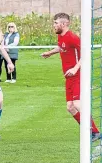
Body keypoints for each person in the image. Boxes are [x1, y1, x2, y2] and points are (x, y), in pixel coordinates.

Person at [41, 13, 101, 141]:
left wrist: (75, 68)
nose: (54, 25)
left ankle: (95, 132)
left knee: (78, 104)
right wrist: (50, 53)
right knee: (70, 107)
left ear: (64, 24)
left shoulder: (72, 37)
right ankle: (89, 131)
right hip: (68, 77)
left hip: (77, 75)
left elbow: (86, 53)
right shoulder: (61, 36)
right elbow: (61, 47)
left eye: (56, 23)